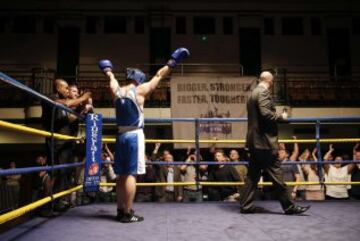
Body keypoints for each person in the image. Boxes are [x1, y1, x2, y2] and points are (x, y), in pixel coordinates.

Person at [98, 47, 189, 223]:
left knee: (121, 175)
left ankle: (119, 210)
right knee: (131, 174)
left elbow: (110, 76)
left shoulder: (116, 90)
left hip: (120, 136)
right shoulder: (140, 91)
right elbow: (159, 75)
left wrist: (107, 70)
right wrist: (172, 62)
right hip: (134, 136)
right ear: (139, 80)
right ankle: (128, 212)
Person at [240, 71, 310, 214]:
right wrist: (281, 117)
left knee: (252, 176)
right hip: (264, 143)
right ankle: (289, 207)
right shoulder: (263, 92)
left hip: (255, 142)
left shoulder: (253, 93)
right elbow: (266, 114)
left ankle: (245, 206)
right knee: (276, 174)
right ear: (270, 82)